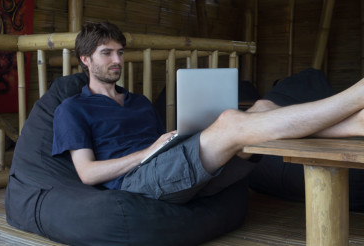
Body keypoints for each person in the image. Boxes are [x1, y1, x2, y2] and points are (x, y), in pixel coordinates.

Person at [52, 21, 364, 204]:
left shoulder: (139, 102)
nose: (116, 60)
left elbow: (170, 155)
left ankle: (354, 124)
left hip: (167, 167)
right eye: (106, 53)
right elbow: (87, 173)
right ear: (85, 60)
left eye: (119, 52)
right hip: (134, 182)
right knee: (232, 122)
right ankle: (354, 98)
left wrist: (176, 139)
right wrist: (149, 151)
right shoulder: (73, 108)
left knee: (261, 108)